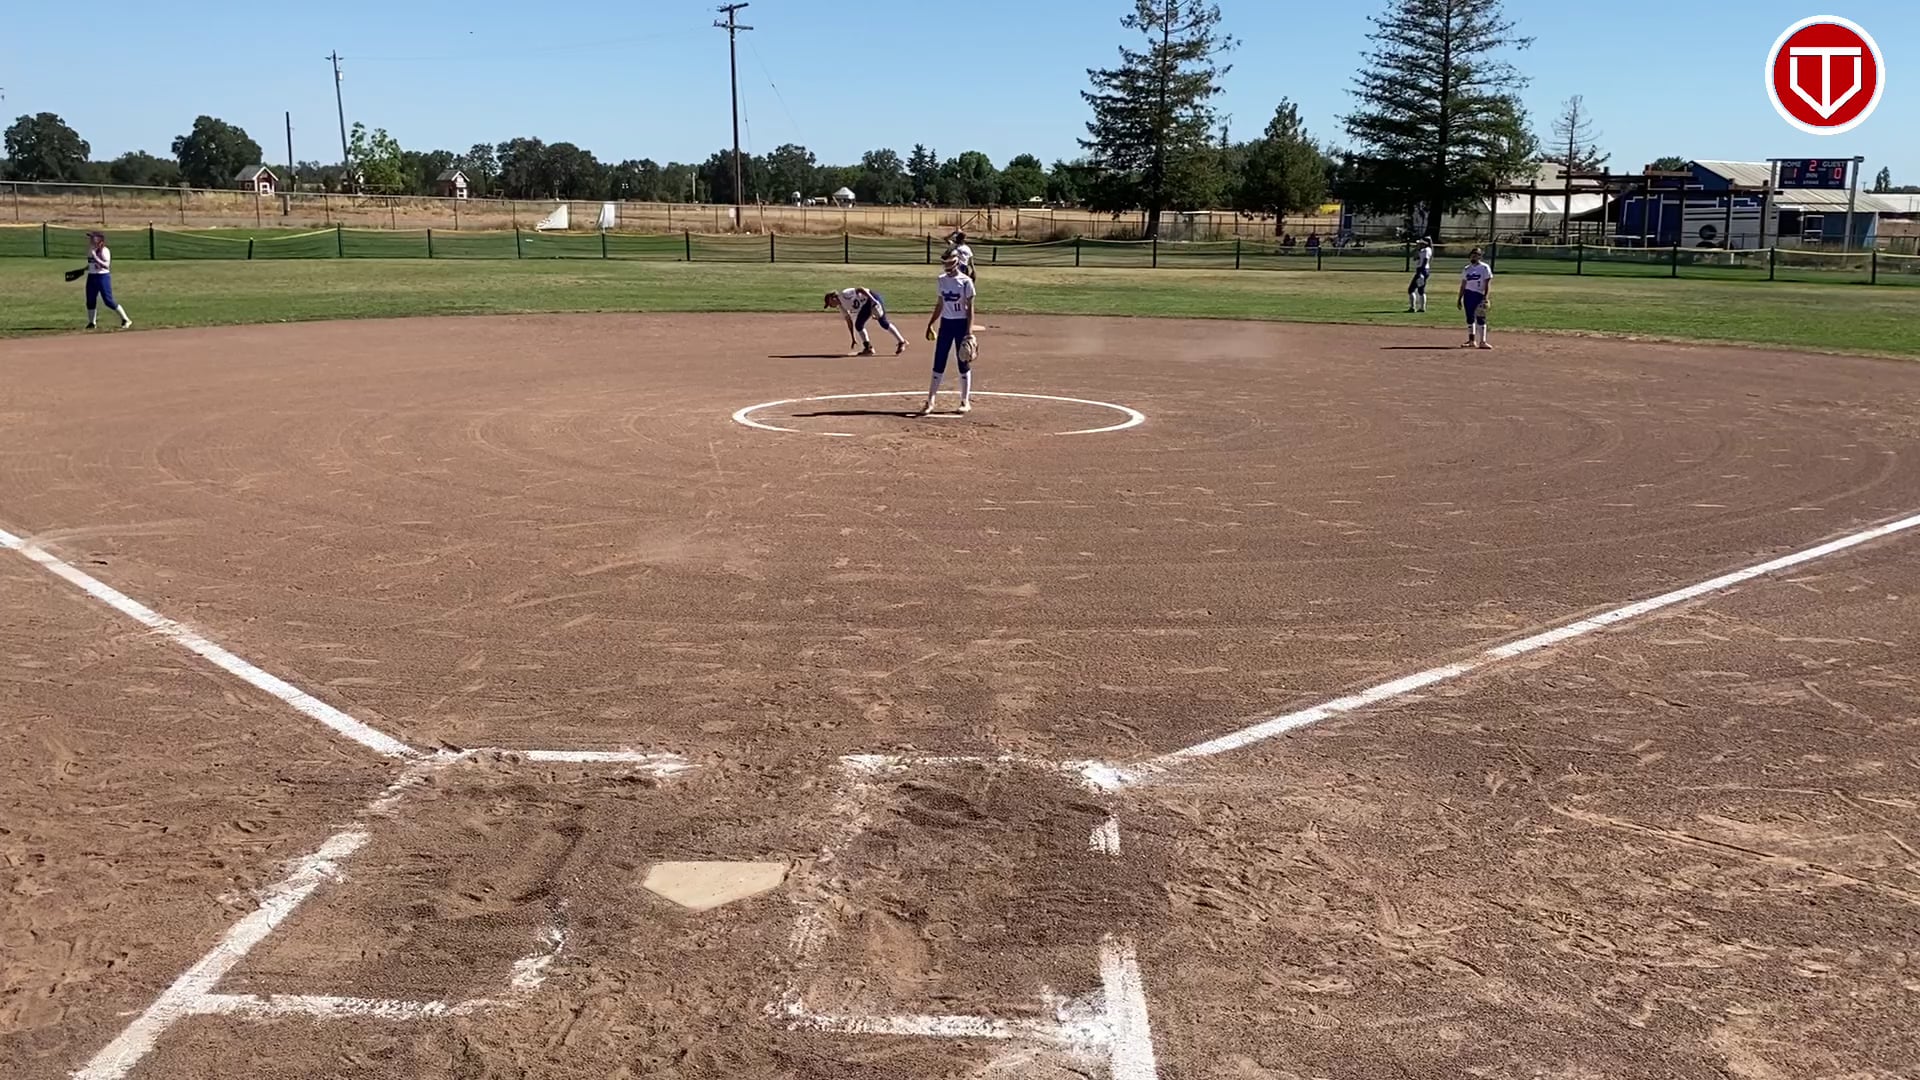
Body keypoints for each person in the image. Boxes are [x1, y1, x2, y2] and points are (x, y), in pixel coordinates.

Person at [918, 250, 976, 416]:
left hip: (961, 324)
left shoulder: (965, 281)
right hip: (946, 324)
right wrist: (931, 323)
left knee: (963, 360)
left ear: (957, 263)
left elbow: (970, 308)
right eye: (945, 263)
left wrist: (969, 332)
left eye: (950, 263)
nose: (947, 267)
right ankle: (930, 401)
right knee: (939, 361)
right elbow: (940, 303)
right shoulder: (941, 280)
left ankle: (965, 401)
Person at [825, 286, 907, 355]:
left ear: (833, 298)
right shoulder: (841, 307)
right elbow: (849, 321)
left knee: (883, 323)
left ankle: (902, 342)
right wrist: (853, 338)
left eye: (829, 303)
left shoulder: (844, 294)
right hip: (865, 306)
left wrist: (873, 300)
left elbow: (860, 289)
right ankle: (868, 348)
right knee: (859, 325)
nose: (830, 306)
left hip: (872, 298)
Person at [83, 231, 132, 330]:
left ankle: (126, 319)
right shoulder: (91, 250)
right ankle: (92, 323)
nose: (90, 239)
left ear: (99, 240)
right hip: (92, 276)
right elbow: (92, 264)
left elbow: (106, 265)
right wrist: (84, 269)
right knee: (90, 300)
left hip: (102, 277)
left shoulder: (104, 251)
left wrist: (95, 257)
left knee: (108, 301)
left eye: (93, 238)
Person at [1457, 247, 1493, 349]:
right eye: (1472, 255)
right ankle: (1471, 341)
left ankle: (1483, 341)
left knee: (1481, 318)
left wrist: (1486, 297)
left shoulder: (1484, 268)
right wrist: (1459, 298)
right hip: (1468, 295)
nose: (1474, 256)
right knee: (1470, 318)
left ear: (1480, 256)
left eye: (1476, 255)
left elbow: (1487, 283)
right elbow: (1463, 285)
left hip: (1479, 295)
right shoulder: (1467, 269)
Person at [1407, 239, 1433, 313]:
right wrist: (1417, 250)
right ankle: (1421, 308)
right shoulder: (1422, 250)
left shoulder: (1426, 250)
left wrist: (1421, 273)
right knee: (1420, 290)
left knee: (1411, 289)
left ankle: (1413, 307)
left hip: (1422, 270)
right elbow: (1415, 258)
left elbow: (1425, 260)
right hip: (1422, 270)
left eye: (1420, 244)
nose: (1418, 245)